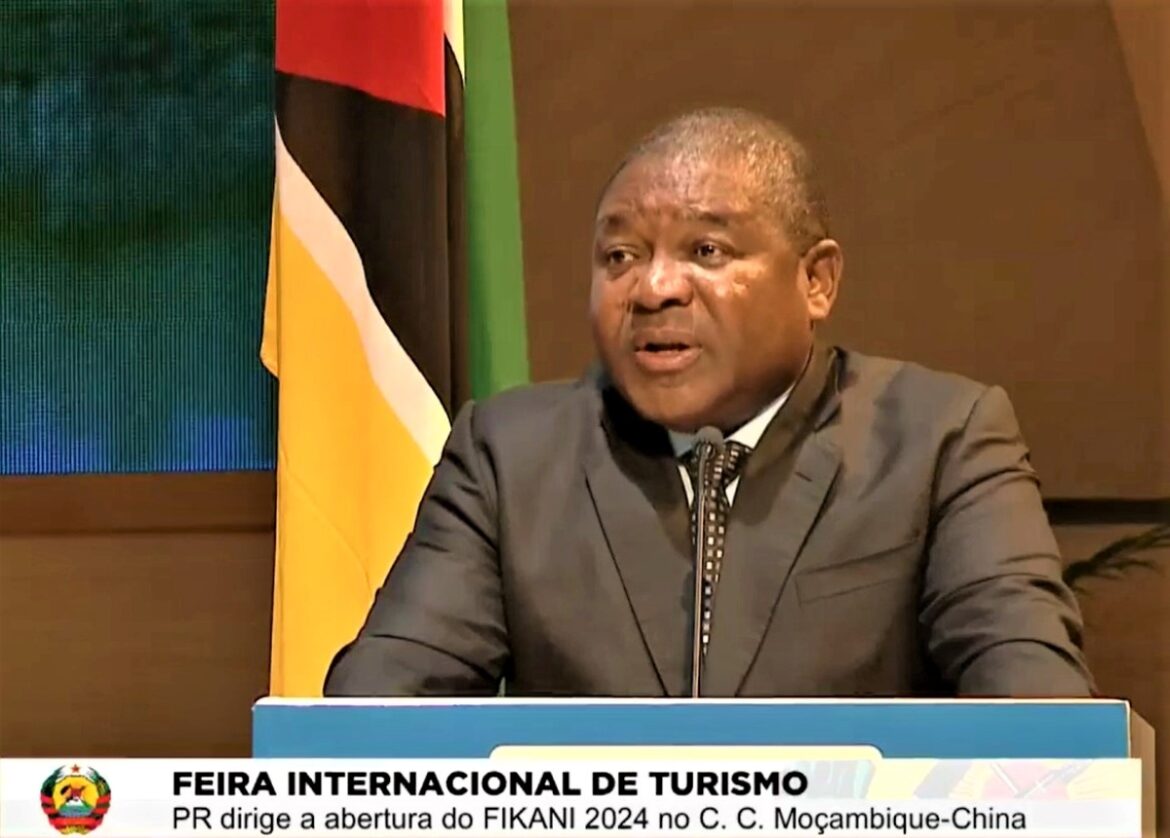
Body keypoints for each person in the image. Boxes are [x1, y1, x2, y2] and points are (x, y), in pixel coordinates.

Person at [323, 107, 1094, 698]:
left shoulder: (941, 441)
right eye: (620, 256)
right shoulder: (509, 457)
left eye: (706, 251)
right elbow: (372, 721)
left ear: (817, 281)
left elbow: (1039, 715)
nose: (654, 288)